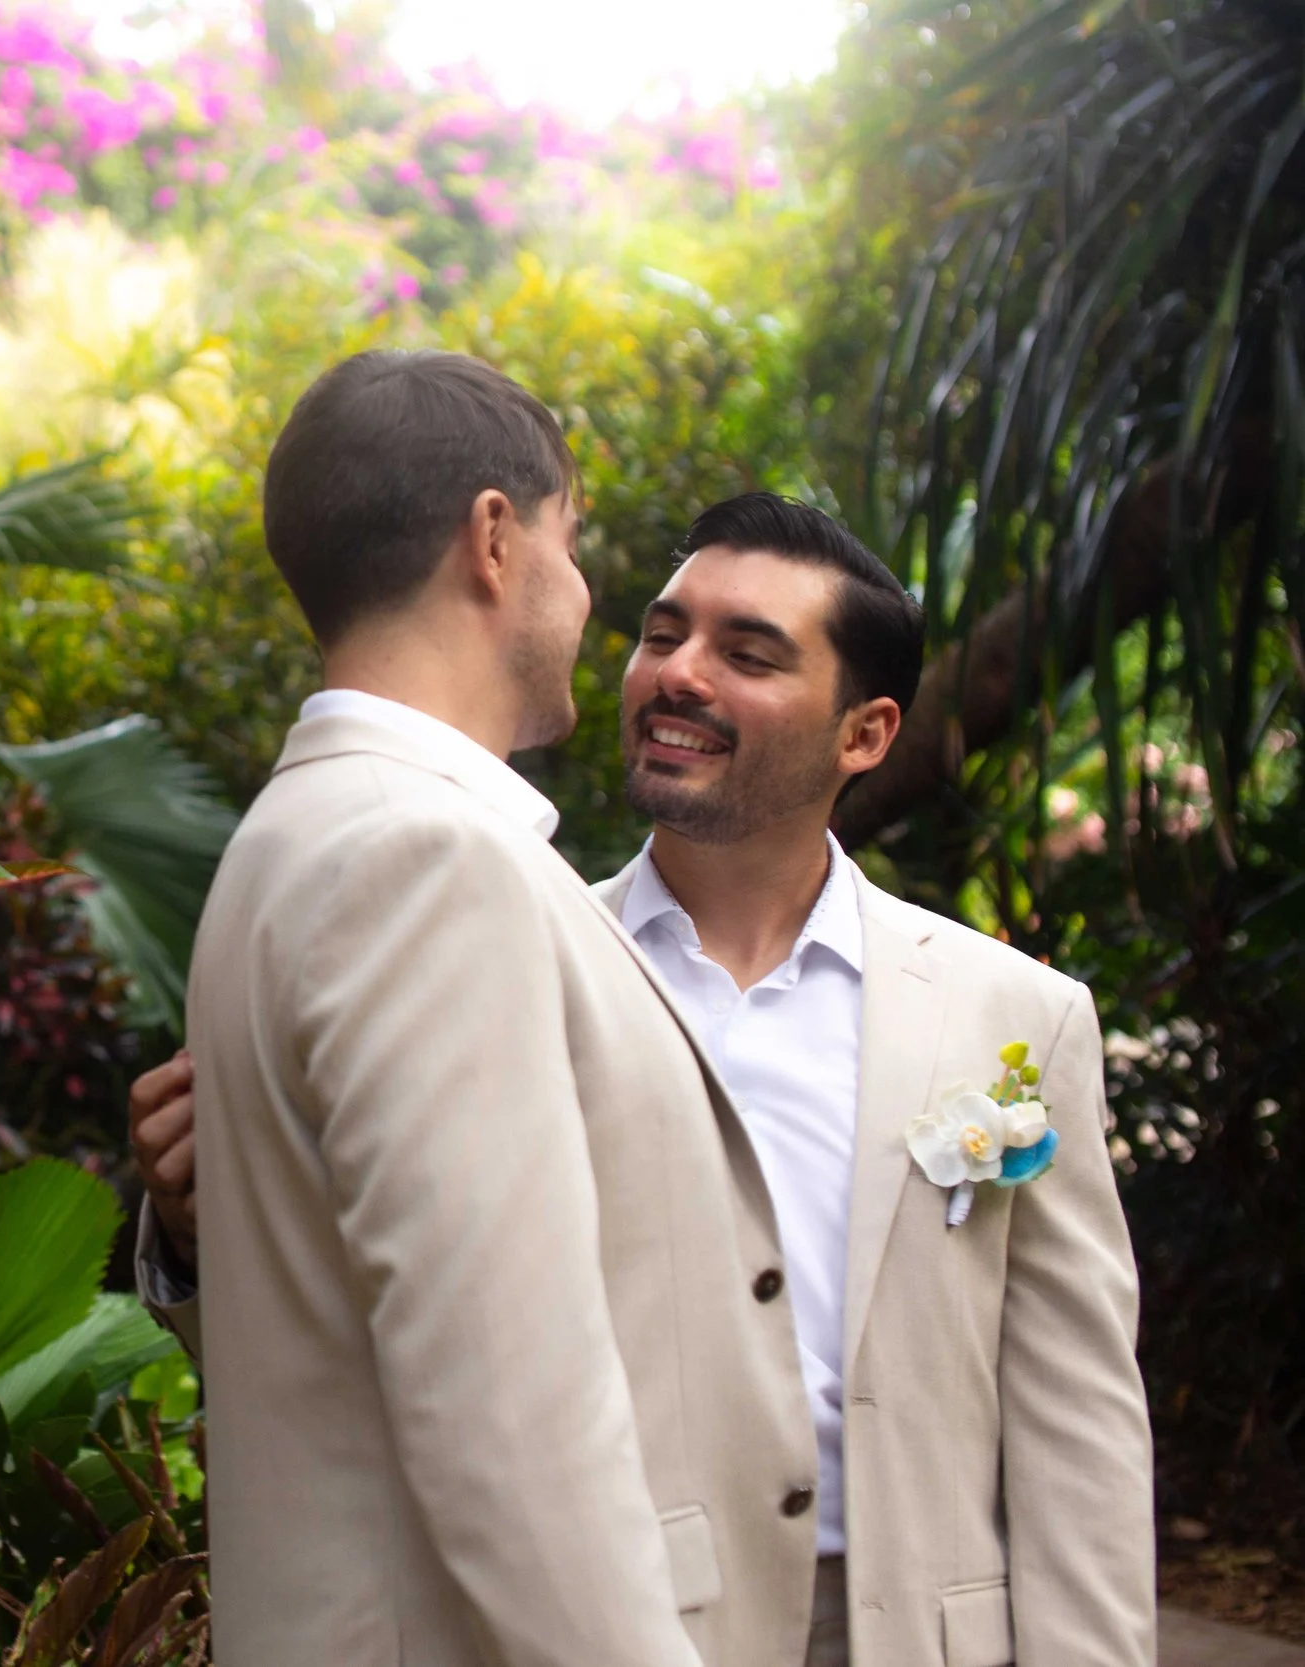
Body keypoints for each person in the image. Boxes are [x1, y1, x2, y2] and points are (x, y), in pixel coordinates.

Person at [133, 490, 1154, 1667]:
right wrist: (200, 1232)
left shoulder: (1015, 1016)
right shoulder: (481, 950)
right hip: (611, 1617)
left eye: (747, 652)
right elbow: (375, 1358)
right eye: (663, 634)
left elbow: (1078, 1418)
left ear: (864, 733)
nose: (677, 673)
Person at [181, 351, 818, 1667]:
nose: (584, 594)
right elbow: (511, 1411)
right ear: (492, 536)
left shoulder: (300, 830)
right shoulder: (428, 858)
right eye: (573, 544)